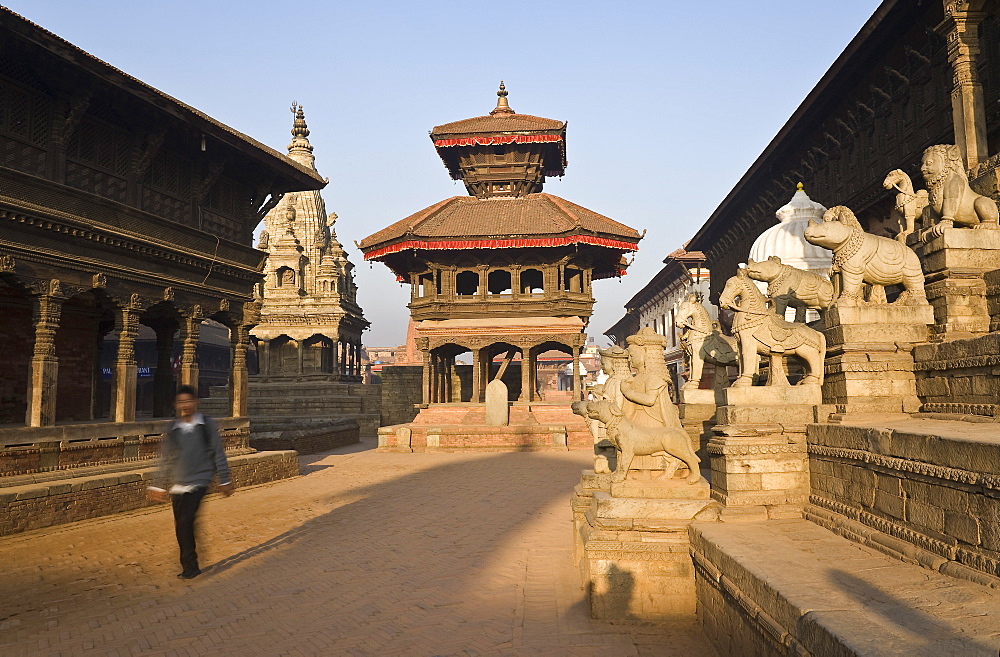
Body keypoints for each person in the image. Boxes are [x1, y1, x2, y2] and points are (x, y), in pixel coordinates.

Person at [147, 385, 233, 579]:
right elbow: (165, 457)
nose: (185, 405)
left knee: (186, 521)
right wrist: (158, 484)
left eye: (188, 401)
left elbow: (218, 453)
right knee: (181, 526)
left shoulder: (206, 424)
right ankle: (188, 564)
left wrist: (225, 479)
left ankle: (190, 567)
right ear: (176, 405)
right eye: (181, 402)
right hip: (178, 483)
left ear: (196, 403)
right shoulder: (174, 428)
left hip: (200, 480)